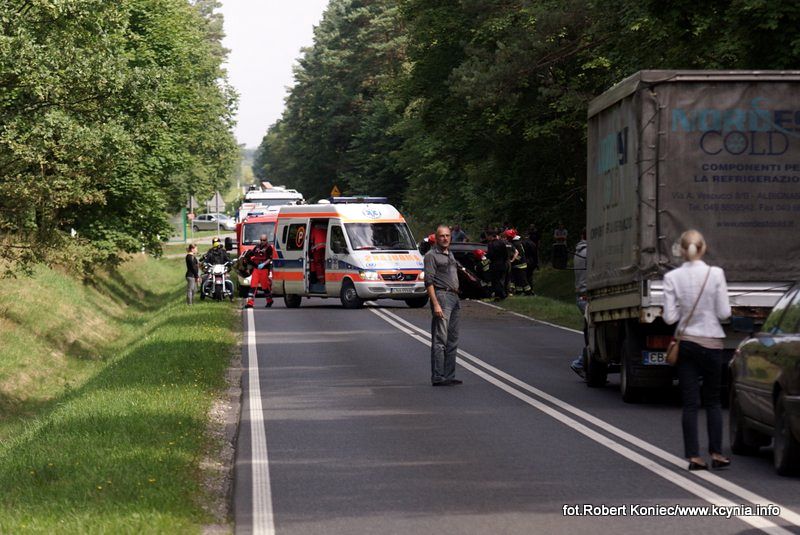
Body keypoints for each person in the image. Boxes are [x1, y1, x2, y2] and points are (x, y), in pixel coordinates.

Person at [663, 229, 731, 472]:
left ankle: (694, 457)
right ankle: (716, 453)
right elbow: (724, 313)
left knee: (690, 403)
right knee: (713, 401)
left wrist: (684, 306)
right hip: (712, 343)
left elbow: (670, 317)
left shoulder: (672, 278)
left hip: (687, 344)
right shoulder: (716, 274)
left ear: (681, 250)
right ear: (703, 248)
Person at [424, 225, 462, 386]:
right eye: (442, 236)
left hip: (454, 297)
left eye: (447, 236)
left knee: (453, 339)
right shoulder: (431, 256)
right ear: (436, 238)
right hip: (442, 296)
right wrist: (436, 304)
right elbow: (428, 282)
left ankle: (449, 375)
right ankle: (438, 376)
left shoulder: (450, 254)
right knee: (441, 339)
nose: (445, 238)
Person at [570, 229, 588, 377]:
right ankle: (581, 362)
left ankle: (584, 362)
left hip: (582, 295)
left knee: (590, 332)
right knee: (592, 334)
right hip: (587, 296)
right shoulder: (589, 252)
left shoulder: (580, 251)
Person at [242, 234, 274, 308]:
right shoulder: (257, 247)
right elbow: (252, 254)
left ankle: (269, 300)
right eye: (261, 240)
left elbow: (270, 258)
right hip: (256, 269)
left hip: (264, 269)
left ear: (267, 240)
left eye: (264, 240)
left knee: (265, 287)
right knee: (253, 285)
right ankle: (250, 303)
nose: (262, 242)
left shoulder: (269, 248)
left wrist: (263, 264)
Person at [486, 230, 508, 300]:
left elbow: (490, 255)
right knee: (501, 280)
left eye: (488, 236)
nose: (487, 238)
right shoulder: (502, 243)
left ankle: (501, 294)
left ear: (491, 236)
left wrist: (486, 256)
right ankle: (499, 295)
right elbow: (506, 254)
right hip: (502, 264)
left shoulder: (491, 244)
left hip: (494, 265)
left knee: (495, 281)